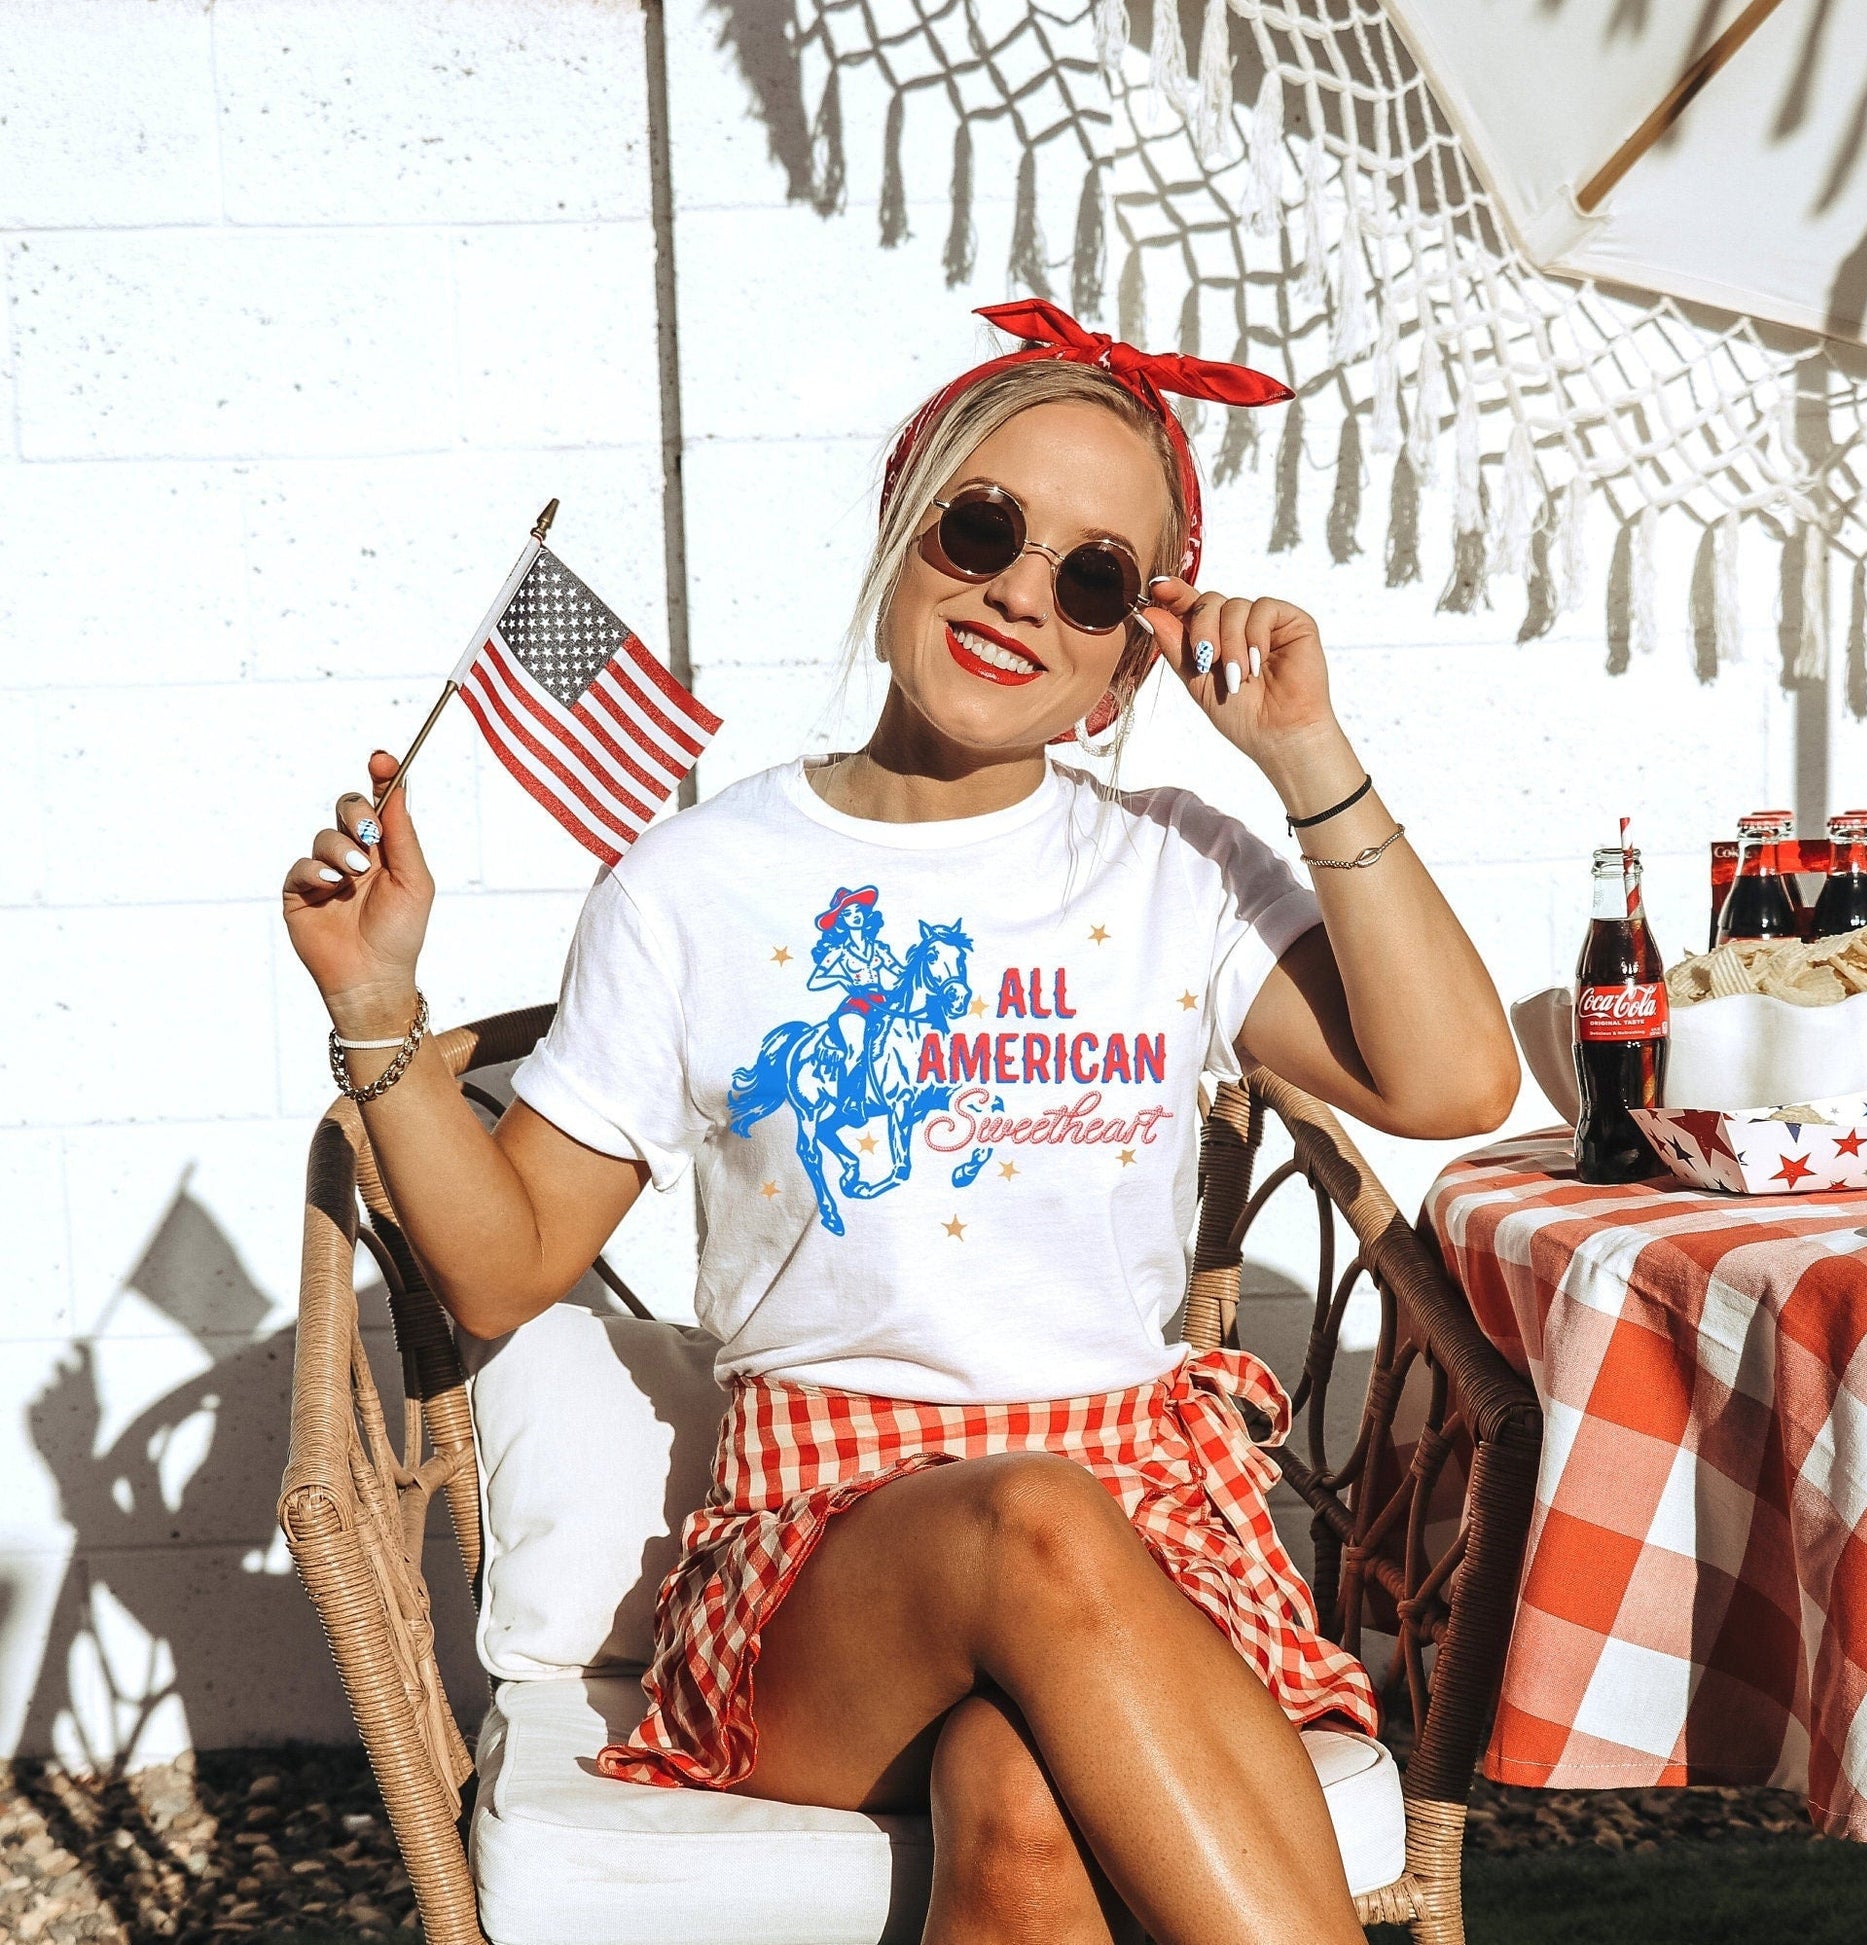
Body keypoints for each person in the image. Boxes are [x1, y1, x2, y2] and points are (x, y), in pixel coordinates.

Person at [282, 299, 1520, 1945]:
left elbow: (1454, 1082)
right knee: (1030, 1516)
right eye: (985, 526)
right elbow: (502, 1274)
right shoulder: (694, 885)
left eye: (1091, 577)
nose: (1021, 590)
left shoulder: (1168, 866)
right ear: (901, 525)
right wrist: (378, 1009)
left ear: (1126, 652)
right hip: (822, 1572)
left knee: (1019, 1802)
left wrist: (1304, 752)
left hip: (1147, 1531)